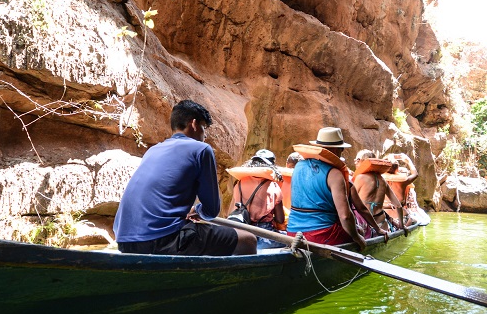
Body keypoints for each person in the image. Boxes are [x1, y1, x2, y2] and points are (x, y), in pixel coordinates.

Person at [113, 100, 257, 255]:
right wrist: (198, 210)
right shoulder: (201, 150)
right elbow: (211, 210)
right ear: (194, 124)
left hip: (124, 241)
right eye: (204, 128)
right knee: (248, 240)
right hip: (162, 239)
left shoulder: (153, 150)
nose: (205, 135)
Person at [286, 127, 368, 250]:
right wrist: (358, 238)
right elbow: (345, 216)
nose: (342, 152)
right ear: (336, 150)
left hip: (292, 232)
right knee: (359, 231)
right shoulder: (335, 174)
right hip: (323, 235)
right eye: (342, 149)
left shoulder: (299, 166)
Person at [229, 149, 286, 249]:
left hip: (241, 229)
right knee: (289, 239)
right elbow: (280, 219)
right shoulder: (272, 186)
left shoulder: (239, 183)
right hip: (263, 233)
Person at [352, 149, 406, 235]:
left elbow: (350, 202)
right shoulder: (382, 180)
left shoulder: (360, 178)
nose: (355, 162)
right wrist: (402, 226)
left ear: (363, 161)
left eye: (357, 159)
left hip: (364, 224)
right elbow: (398, 205)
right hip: (382, 223)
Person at [382, 152, 419, 230]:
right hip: (400, 218)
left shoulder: (379, 180)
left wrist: (390, 156)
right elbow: (415, 174)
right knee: (413, 219)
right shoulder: (403, 181)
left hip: (384, 216)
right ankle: (404, 227)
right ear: (397, 169)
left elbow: (380, 163)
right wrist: (409, 161)